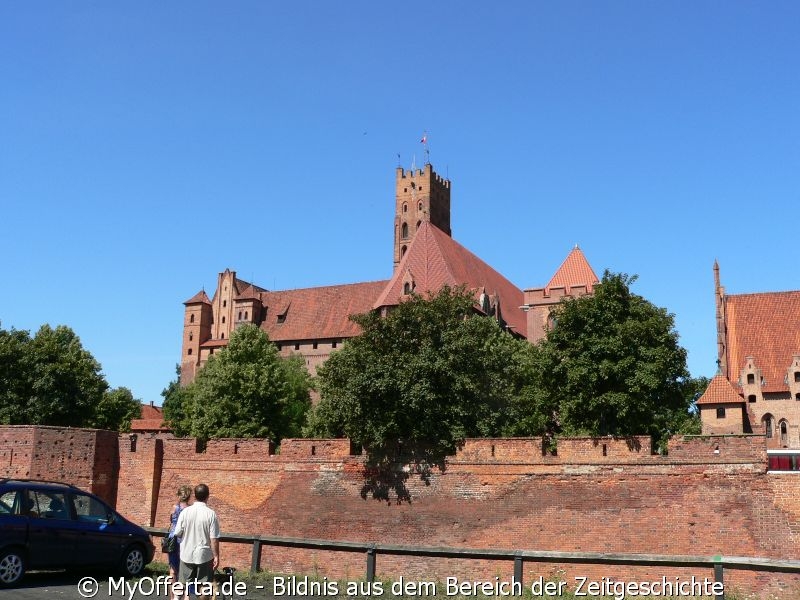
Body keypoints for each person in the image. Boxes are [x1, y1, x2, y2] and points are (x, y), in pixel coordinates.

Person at [173, 483, 220, 600]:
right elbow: (214, 539)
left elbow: (177, 532)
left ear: (194, 496)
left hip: (186, 553)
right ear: (207, 496)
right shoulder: (211, 514)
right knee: (205, 585)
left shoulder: (185, 512)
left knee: (181, 584)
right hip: (204, 555)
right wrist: (216, 556)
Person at [167, 486, 192, 599]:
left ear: (178, 495)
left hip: (173, 540)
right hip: (185, 541)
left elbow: (171, 522)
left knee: (173, 571)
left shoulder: (174, 508)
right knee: (186, 572)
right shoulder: (190, 510)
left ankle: (172, 597)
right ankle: (185, 597)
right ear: (189, 496)